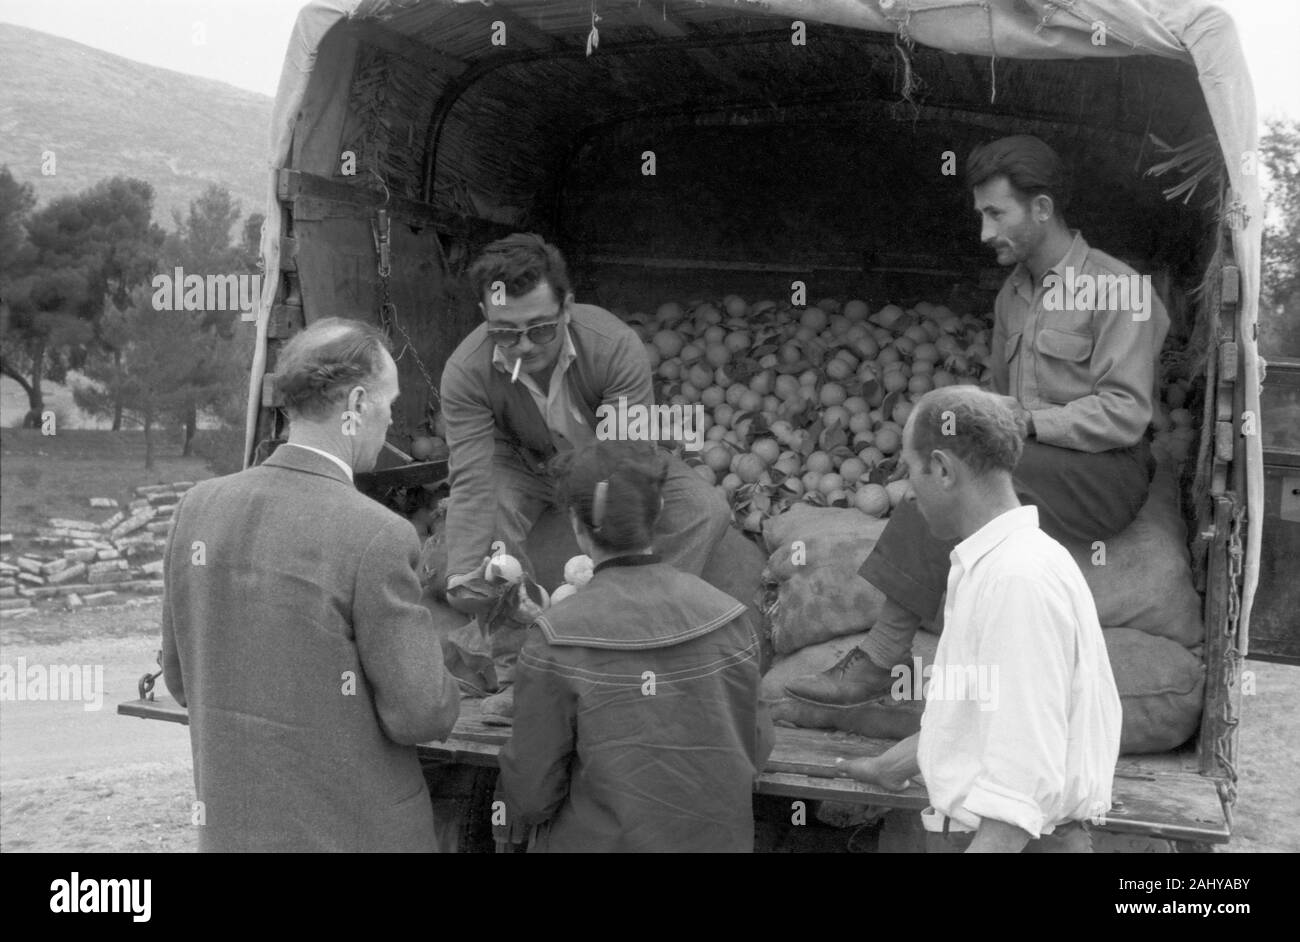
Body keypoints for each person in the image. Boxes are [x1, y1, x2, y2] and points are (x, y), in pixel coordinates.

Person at [787, 134, 1169, 705]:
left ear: (1041, 209)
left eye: (996, 214)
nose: (984, 232)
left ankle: (878, 658)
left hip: (1104, 471)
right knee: (946, 470)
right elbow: (999, 396)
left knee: (958, 477)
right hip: (1031, 459)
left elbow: (1126, 413)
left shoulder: (1121, 290)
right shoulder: (1012, 297)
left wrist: (1028, 423)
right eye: (981, 215)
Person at [161, 318, 461, 852]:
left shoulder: (197, 508)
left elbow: (182, 682)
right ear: (359, 403)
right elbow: (419, 713)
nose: (391, 420)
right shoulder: (378, 535)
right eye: (390, 404)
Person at [439, 233, 731, 721]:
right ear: (484, 317)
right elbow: (471, 480)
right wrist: (465, 573)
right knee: (491, 523)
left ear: (568, 307)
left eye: (541, 330)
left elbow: (625, 462)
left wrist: (596, 577)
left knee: (705, 510)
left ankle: (631, 646)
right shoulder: (465, 372)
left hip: (612, 453)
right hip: (522, 462)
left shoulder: (613, 345)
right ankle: (523, 674)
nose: (524, 346)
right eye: (505, 334)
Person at [835, 387, 1121, 852]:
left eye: (912, 470)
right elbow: (990, 713)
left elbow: (1019, 785)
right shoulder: (1001, 562)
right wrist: (896, 764)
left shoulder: (1015, 580)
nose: (908, 490)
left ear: (944, 470)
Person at [495, 441, 773, 852]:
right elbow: (757, 748)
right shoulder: (730, 617)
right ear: (659, 509)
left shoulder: (555, 636)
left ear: (575, 523)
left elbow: (531, 795)